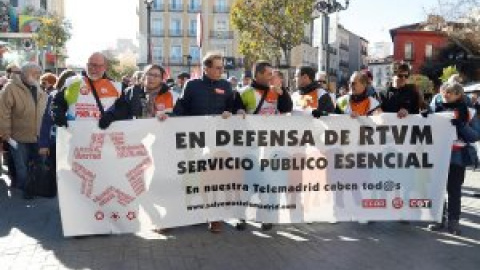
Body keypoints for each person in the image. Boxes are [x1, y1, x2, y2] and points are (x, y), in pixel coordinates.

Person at [171, 52, 242, 233]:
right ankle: (181, 215)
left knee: (214, 178)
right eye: (218, 67)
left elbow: (232, 106)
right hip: (194, 139)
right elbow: (181, 107)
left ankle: (215, 217)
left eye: (222, 67)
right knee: (191, 177)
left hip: (217, 140)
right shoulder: (191, 85)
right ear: (206, 68)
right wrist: (168, 119)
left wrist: (234, 111)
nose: (222, 71)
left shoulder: (226, 85)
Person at [235, 61, 293, 231]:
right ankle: (242, 216)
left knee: (271, 181)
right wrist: (238, 111)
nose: (272, 77)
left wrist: (282, 93)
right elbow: (235, 111)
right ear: (258, 74)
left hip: (272, 145)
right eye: (269, 74)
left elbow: (287, 108)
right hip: (250, 146)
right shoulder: (244, 92)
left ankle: (268, 216)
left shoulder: (277, 91)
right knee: (248, 181)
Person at [427, 82, 480, 235]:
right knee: (438, 189)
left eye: (450, 92)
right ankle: (438, 219)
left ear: (459, 94)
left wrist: (461, 125)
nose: (446, 94)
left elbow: (475, 136)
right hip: (437, 154)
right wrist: (424, 117)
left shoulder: (468, 111)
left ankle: (453, 222)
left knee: (454, 190)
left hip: (457, 157)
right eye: (444, 91)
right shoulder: (435, 109)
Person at [0, 63, 47, 197]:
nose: (38, 77)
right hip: (17, 137)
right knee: (22, 167)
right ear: (25, 73)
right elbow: (3, 113)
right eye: (35, 74)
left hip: (38, 135)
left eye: (39, 74)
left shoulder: (38, 87)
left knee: (40, 163)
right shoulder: (10, 88)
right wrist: (6, 134)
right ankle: (26, 189)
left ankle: (37, 186)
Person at [52, 52, 126, 127]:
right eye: (91, 65)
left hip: (102, 134)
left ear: (105, 67)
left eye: (98, 66)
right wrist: (58, 114)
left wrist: (111, 116)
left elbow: (125, 109)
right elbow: (57, 103)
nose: (94, 69)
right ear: (86, 65)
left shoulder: (116, 86)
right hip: (75, 134)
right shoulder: (72, 82)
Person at [38, 69, 77, 197]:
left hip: (73, 140)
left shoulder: (81, 96)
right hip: (57, 140)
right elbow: (47, 120)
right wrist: (44, 144)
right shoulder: (55, 95)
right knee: (58, 170)